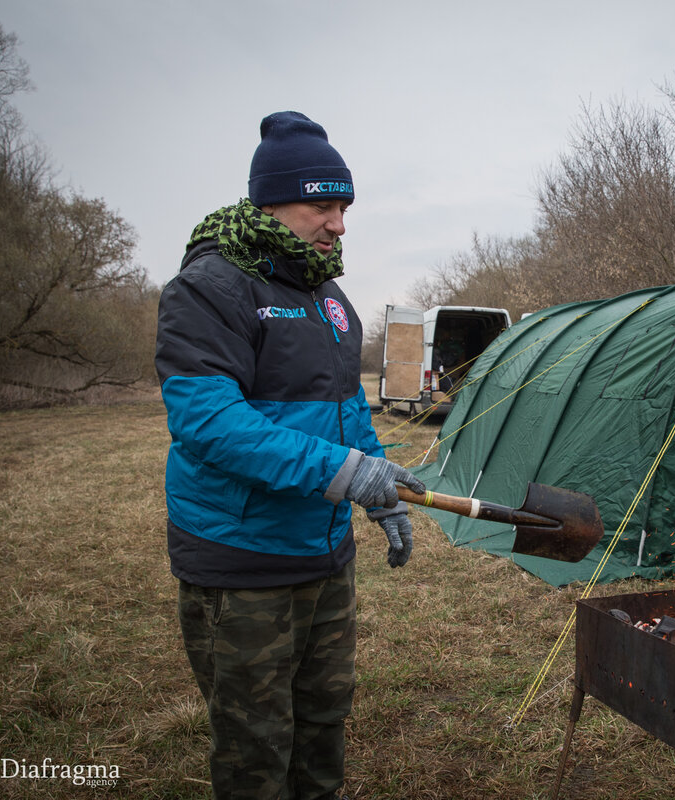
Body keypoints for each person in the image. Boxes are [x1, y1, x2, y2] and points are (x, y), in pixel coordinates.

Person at [155, 110, 426, 799]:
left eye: (345, 208)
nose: (339, 224)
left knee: (323, 723)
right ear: (270, 203)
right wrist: (341, 473)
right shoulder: (208, 289)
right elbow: (209, 422)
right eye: (324, 204)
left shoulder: (330, 300)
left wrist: (376, 482)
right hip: (242, 559)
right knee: (256, 744)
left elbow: (346, 409)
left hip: (324, 554)